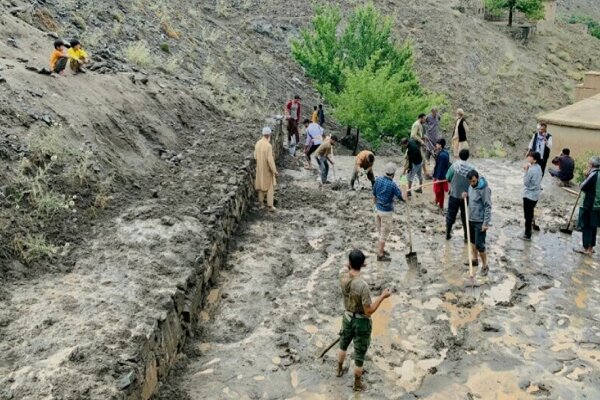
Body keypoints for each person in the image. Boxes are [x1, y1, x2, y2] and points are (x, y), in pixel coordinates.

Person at [337, 249, 392, 391]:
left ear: (349, 263)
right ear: (362, 265)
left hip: (347, 317)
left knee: (343, 345)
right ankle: (357, 384)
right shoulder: (363, 286)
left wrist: (355, 264)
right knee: (359, 355)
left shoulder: (342, 275)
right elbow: (369, 311)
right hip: (361, 322)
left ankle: (338, 369)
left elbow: (346, 266)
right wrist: (382, 297)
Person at [462, 170, 492, 276]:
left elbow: (488, 206)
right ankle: (474, 260)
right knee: (472, 242)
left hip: (480, 221)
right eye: (470, 182)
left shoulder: (485, 189)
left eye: (473, 181)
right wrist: (466, 194)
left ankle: (485, 266)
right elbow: (472, 196)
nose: (472, 184)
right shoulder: (471, 186)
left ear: (477, 179)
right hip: (471, 219)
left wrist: (486, 223)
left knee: (480, 245)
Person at [372, 163, 404, 261]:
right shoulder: (392, 185)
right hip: (386, 212)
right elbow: (402, 197)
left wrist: (375, 207)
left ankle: (381, 249)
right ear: (393, 174)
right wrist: (404, 189)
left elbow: (374, 194)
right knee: (384, 234)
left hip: (377, 210)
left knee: (380, 232)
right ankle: (380, 254)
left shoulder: (378, 180)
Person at [445, 149, 475, 241]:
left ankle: (447, 234)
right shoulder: (471, 169)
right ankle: (466, 237)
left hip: (454, 194)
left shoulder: (454, 166)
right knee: (465, 216)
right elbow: (474, 183)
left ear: (459, 155)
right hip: (466, 196)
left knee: (451, 215)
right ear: (468, 157)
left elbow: (447, 177)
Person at [574, 156, 600, 255]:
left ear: (592, 164)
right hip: (598, 206)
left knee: (586, 226)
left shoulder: (593, 174)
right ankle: (591, 247)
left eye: (589, 163)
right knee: (593, 226)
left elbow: (583, 186)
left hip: (590, 205)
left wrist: (585, 176)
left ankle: (586, 248)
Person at [254, 127, 278, 211]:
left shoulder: (257, 143)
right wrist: (274, 171)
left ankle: (261, 204)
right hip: (267, 169)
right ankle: (270, 205)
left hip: (260, 168)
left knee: (261, 186)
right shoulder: (268, 145)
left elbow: (255, 156)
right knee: (270, 186)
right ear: (269, 135)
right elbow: (270, 160)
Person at [522, 152, 543, 240]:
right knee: (530, 213)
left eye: (530, 156)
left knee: (527, 216)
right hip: (536, 195)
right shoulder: (538, 167)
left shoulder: (531, 170)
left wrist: (526, 170)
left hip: (529, 196)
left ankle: (527, 235)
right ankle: (532, 227)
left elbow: (526, 183)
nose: (528, 157)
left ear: (534, 160)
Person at [411, 113, 431, 178]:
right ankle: (424, 174)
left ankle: (425, 174)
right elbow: (413, 135)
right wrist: (421, 141)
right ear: (421, 118)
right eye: (424, 119)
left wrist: (424, 136)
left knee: (422, 159)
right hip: (415, 145)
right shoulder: (416, 124)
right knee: (421, 159)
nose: (425, 120)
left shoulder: (420, 125)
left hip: (418, 145)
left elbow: (419, 134)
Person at [432, 139, 450, 210]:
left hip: (440, 176)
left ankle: (441, 205)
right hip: (442, 174)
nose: (436, 145)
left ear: (440, 145)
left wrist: (438, 178)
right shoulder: (445, 152)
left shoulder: (442, 155)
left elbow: (440, 167)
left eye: (437, 144)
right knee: (438, 190)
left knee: (439, 191)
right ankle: (436, 201)